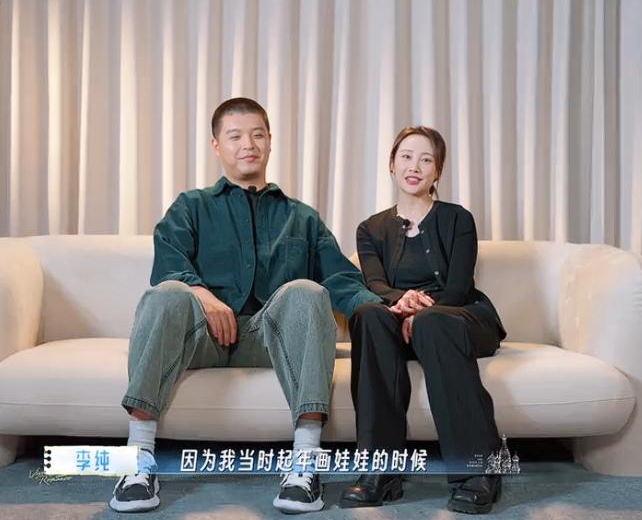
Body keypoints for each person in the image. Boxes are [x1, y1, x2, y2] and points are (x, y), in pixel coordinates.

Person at [109, 97, 381, 514]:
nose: (248, 144)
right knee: (166, 294)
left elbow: (341, 278)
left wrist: (383, 309)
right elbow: (168, 265)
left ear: (270, 141)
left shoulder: (301, 217)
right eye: (235, 136)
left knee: (308, 291)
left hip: (269, 342)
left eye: (257, 135)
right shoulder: (191, 206)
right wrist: (205, 298)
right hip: (200, 339)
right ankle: (138, 462)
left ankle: (305, 465)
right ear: (217, 145)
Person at [340, 126, 507, 514]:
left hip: (459, 316)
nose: (414, 166)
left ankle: (478, 469)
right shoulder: (370, 229)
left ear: (437, 172)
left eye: (426, 159)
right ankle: (380, 470)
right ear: (392, 164)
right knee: (368, 315)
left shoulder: (458, 219)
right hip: (397, 319)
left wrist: (424, 313)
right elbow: (376, 284)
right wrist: (402, 303)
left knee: (433, 323)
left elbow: (458, 287)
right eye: (406, 157)